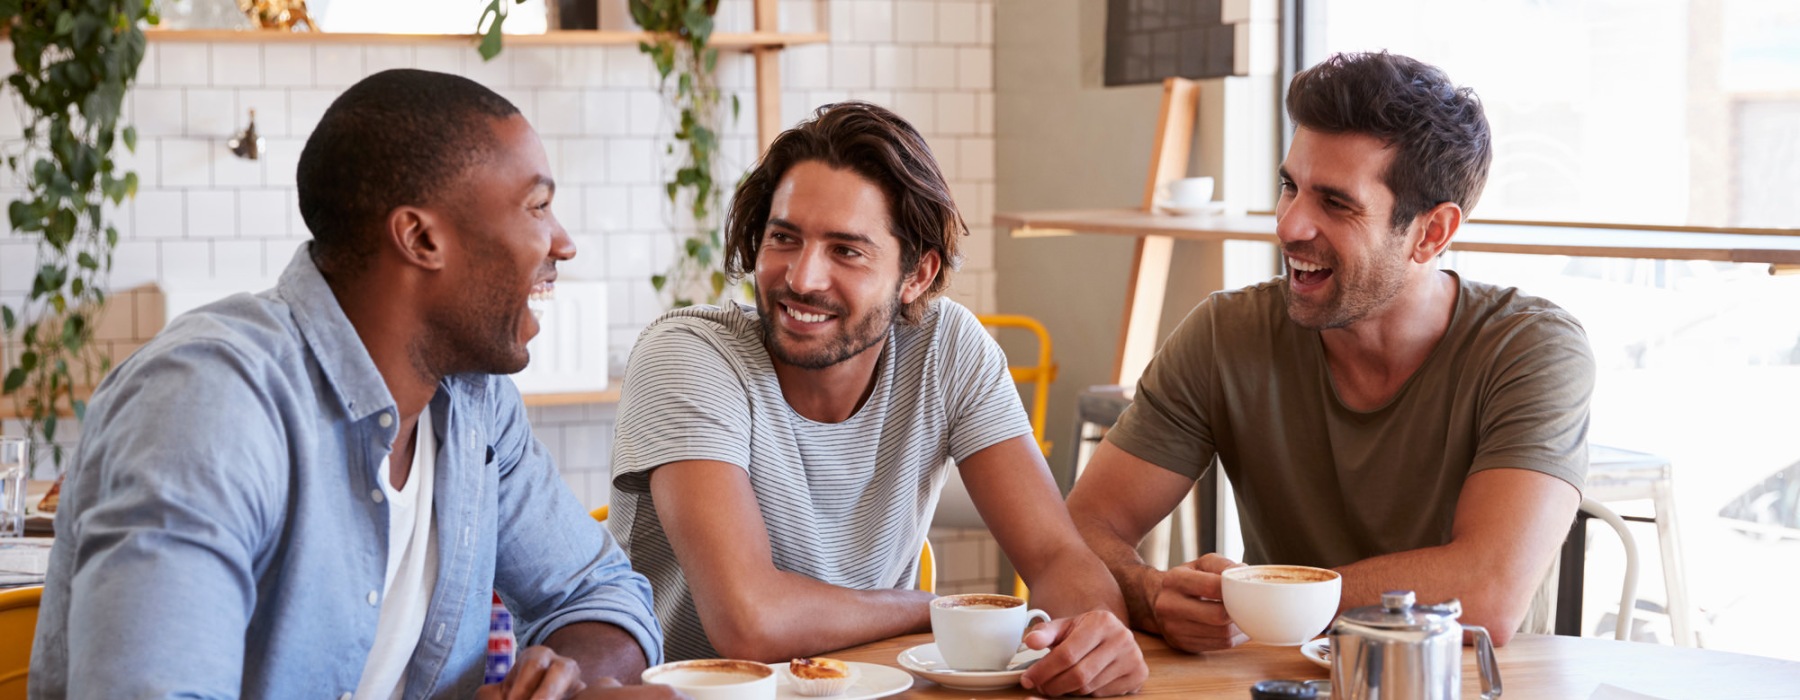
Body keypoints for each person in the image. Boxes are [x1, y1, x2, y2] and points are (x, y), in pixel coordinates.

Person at [30, 69, 673, 700]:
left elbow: (601, 592)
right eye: (537, 206)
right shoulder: (211, 404)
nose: (563, 243)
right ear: (420, 237)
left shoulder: (474, 403)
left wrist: (561, 684)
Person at [608, 102, 1147, 697]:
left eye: (846, 250)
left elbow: (1056, 559)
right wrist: (931, 609)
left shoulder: (947, 348)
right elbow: (750, 620)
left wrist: (1091, 637)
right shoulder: (688, 355)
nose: (802, 278)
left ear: (916, 275)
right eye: (784, 237)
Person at [1066, 51, 1595, 651]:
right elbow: (1078, 533)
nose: (1290, 225)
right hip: (1278, 683)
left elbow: (1487, 591)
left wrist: (1269, 595)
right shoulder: (1226, 334)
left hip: (1467, 684)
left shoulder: (1530, 348)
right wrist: (1149, 593)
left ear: (1432, 233)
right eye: (1290, 186)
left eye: (1336, 203)